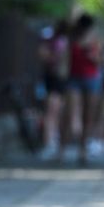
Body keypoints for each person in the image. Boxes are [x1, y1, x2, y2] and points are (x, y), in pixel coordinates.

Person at [63, 13, 103, 164]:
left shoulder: (94, 40)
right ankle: (64, 146)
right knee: (71, 112)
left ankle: (83, 150)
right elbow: (66, 58)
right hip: (74, 78)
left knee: (88, 115)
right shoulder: (72, 38)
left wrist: (90, 53)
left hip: (91, 78)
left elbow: (99, 61)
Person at [38, 19, 70, 160]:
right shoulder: (53, 41)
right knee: (52, 112)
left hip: (62, 80)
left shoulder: (64, 41)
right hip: (54, 80)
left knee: (56, 112)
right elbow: (43, 55)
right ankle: (49, 143)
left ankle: (54, 142)